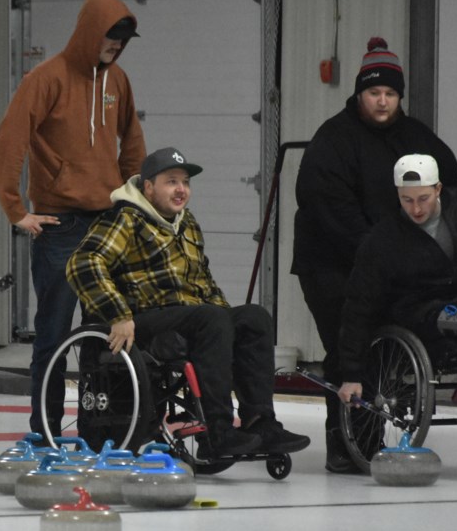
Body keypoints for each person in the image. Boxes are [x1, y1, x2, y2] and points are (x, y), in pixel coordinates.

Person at [68, 147, 311, 458]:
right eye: (171, 181)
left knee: (254, 318)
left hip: (190, 316)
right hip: (142, 319)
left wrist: (228, 323)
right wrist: (117, 314)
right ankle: (218, 430)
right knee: (211, 319)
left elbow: (203, 282)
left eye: (185, 182)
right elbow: (83, 262)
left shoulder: (187, 223)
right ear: (148, 187)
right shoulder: (125, 219)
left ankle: (260, 422)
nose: (181, 189)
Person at [292, 36, 457, 473]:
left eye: (390, 93)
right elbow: (328, 210)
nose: (382, 102)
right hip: (330, 262)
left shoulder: (416, 136)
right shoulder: (334, 140)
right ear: (359, 94)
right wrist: (382, 256)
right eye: (374, 93)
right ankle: (347, 446)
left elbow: (451, 189)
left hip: (392, 263)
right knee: (347, 342)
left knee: (393, 342)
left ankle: (378, 430)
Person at [0, 0, 146, 440]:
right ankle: (45, 431)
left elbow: (133, 141)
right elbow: (9, 141)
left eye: (123, 40)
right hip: (60, 227)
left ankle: (104, 430)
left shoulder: (117, 79)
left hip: (107, 224)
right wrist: (16, 210)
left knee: (107, 336)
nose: (117, 46)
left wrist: (132, 201)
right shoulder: (45, 79)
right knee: (54, 336)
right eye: (111, 37)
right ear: (89, 33)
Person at [338, 155, 457, 404]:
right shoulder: (383, 239)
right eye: (406, 200)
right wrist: (351, 373)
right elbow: (359, 305)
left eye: (424, 199)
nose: (416, 209)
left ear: (438, 189)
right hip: (426, 311)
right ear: (397, 194)